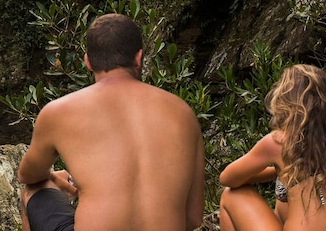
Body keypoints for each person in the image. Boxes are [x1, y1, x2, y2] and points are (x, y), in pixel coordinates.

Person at [17, 13, 206, 231]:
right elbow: (193, 219)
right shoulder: (183, 112)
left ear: (88, 62)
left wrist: (54, 177)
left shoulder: (59, 111)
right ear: (139, 57)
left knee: (33, 189)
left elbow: (27, 175)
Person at [216, 64, 326, 231]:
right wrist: (280, 171)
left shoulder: (280, 142)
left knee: (231, 194)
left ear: (286, 101)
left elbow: (227, 178)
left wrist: (276, 170)